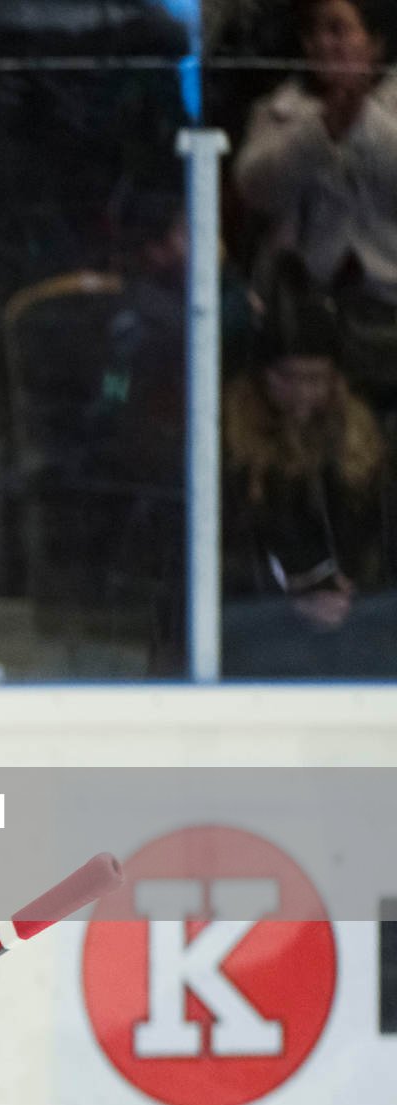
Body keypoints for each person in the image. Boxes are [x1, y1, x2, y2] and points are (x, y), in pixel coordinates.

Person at [224, 259, 397, 675]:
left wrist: (355, 589)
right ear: (262, 375)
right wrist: (287, 594)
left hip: (355, 622)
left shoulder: (361, 442)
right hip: (257, 621)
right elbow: (215, 551)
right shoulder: (229, 444)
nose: (302, 393)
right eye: (288, 377)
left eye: (315, 379)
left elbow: (381, 536)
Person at [234, 0, 397, 403]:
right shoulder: (280, 110)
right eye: (315, 33)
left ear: (375, 43)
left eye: (339, 30)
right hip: (304, 322)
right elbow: (255, 188)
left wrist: (360, 122)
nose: (326, 43)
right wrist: (320, 131)